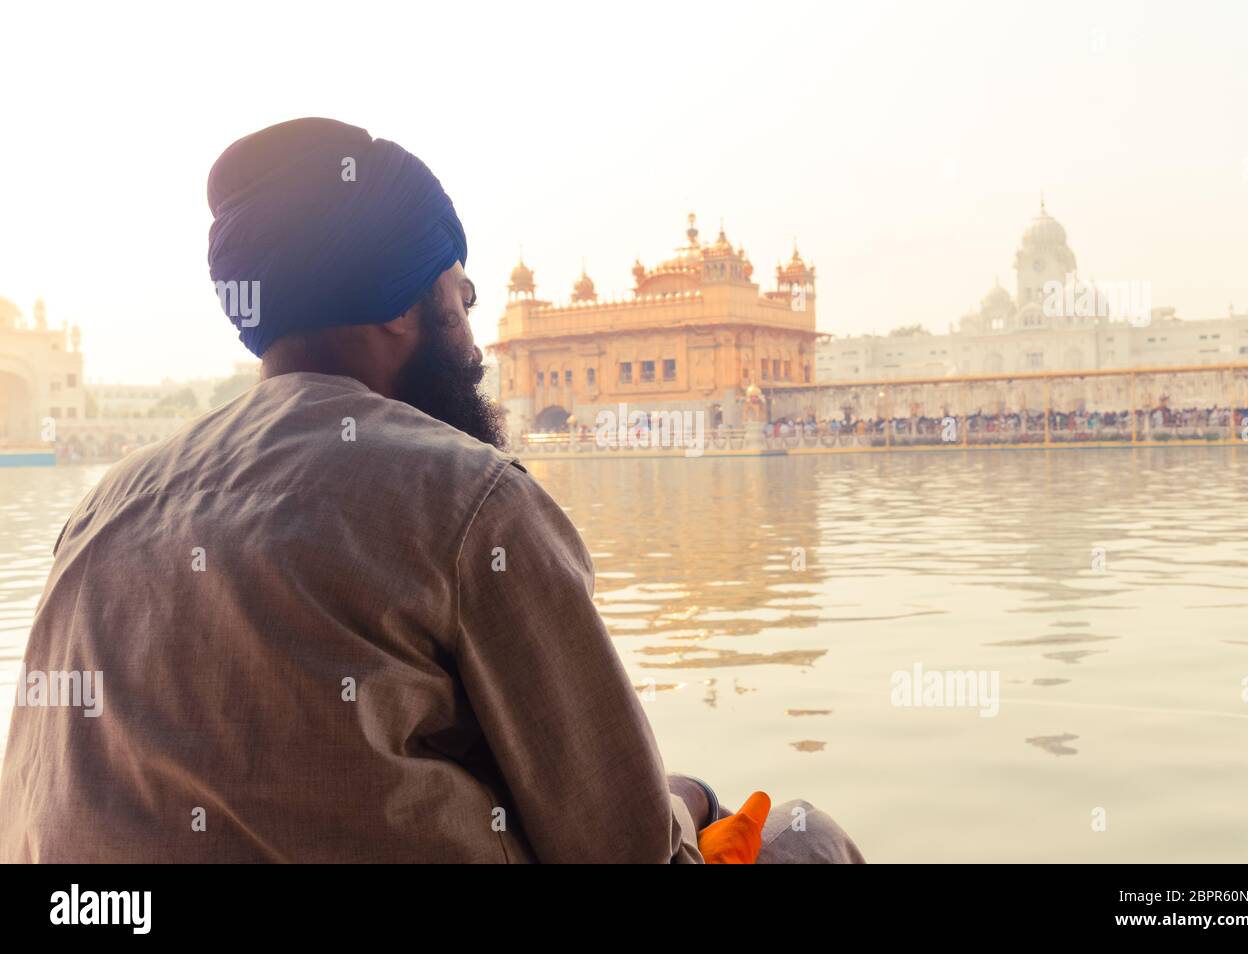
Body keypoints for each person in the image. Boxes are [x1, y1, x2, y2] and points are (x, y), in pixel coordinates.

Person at [0, 118, 863, 864]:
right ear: (398, 307)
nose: (479, 348)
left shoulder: (104, 509)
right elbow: (628, 850)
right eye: (461, 295)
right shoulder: (464, 497)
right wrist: (690, 808)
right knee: (797, 831)